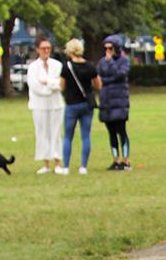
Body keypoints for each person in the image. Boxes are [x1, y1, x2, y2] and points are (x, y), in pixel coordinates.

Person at [58, 39, 101, 176]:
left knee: (68, 136)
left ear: (69, 51)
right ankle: (83, 166)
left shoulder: (66, 66)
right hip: (86, 104)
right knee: (85, 135)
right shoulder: (90, 66)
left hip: (71, 104)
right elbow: (98, 85)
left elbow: (62, 86)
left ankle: (66, 167)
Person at [26, 38, 63, 174]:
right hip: (39, 105)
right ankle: (46, 164)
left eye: (48, 48)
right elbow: (35, 85)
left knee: (56, 133)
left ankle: (58, 163)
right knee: (42, 134)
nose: (46, 50)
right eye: (43, 48)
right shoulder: (33, 67)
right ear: (37, 50)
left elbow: (60, 84)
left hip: (56, 104)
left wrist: (47, 82)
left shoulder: (57, 65)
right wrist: (50, 86)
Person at [96, 34, 130, 171]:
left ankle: (126, 161)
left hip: (120, 101)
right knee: (111, 132)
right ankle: (115, 160)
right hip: (106, 101)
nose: (107, 51)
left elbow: (120, 75)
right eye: (106, 48)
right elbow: (99, 78)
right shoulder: (102, 62)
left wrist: (110, 63)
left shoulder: (123, 61)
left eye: (110, 48)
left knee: (121, 131)